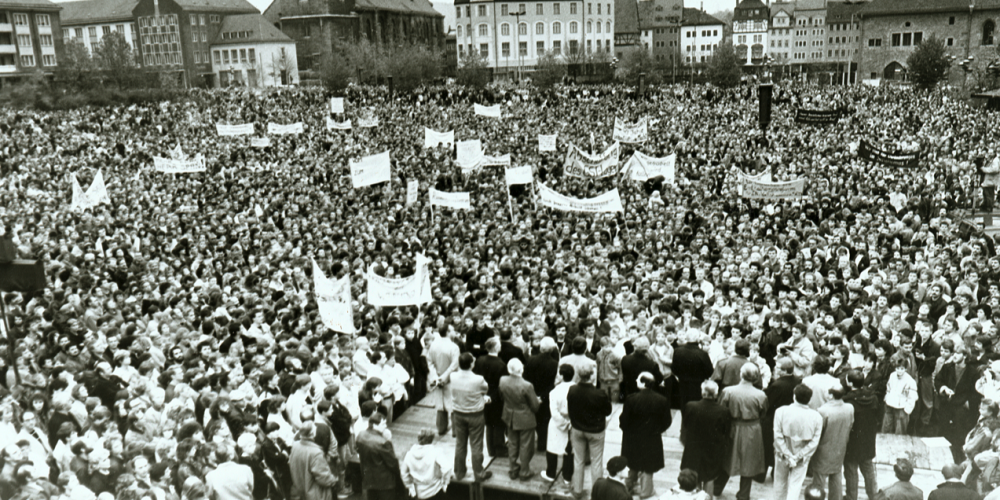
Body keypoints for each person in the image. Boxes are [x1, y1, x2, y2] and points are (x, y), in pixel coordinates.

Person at [715, 363, 768, 500]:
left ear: (741, 374)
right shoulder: (761, 395)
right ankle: (744, 494)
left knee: (727, 458)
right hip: (753, 429)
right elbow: (763, 412)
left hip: (732, 427)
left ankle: (717, 487)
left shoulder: (728, 391)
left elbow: (721, 410)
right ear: (756, 377)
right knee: (749, 462)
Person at [619, 372, 671, 499]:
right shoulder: (662, 400)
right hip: (652, 437)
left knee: (632, 462)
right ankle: (646, 491)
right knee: (648, 465)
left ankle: (629, 486)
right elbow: (667, 421)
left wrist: (627, 430)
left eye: (638, 379)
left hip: (632, 437)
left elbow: (624, 420)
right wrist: (657, 430)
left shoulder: (631, 399)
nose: (636, 381)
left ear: (643, 383)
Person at [567, 364, 612, 500]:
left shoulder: (572, 390)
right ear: (592, 375)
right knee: (596, 462)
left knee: (578, 460)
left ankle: (578, 490)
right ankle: (597, 494)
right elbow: (608, 411)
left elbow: (570, 408)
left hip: (578, 429)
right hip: (595, 431)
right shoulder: (599, 393)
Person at [680, 380, 731, 500]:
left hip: (693, 447)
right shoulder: (723, 411)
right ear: (715, 394)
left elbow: (686, 425)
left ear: (702, 392)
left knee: (693, 475)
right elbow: (726, 430)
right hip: (713, 449)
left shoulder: (691, 406)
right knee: (709, 477)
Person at [773, 384, 823, 500]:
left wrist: (788, 454)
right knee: (796, 485)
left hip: (782, 454)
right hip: (802, 456)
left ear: (794, 396)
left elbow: (778, 436)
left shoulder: (781, 411)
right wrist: (798, 456)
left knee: (779, 483)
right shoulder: (816, 417)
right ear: (809, 399)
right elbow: (814, 442)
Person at [449, 352, 492, 482]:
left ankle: (459, 472)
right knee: (476, 445)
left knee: (460, 444)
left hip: (458, 414)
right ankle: (479, 473)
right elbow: (485, 390)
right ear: (471, 364)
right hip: (475, 415)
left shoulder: (453, 376)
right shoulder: (478, 379)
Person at [810, 382, 855, 500]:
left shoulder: (823, 411)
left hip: (823, 450)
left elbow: (818, 433)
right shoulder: (849, 408)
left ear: (830, 395)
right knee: (836, 478)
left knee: (819, 481)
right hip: (840, 448)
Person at [499, 357, 540, 481]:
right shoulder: (527, 385)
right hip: (525, 418)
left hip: (509, 416)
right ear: (521, 369)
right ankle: (524, 471)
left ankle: (513, 469)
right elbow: (535, 406)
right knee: (526, 446)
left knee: (512, 444)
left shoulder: (503, 380)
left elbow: (502, 396)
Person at [843, 370, 879, 500]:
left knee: (851, 470)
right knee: (868, 469)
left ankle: (851, 497)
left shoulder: (848, 402)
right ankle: (873, 495)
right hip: (868, 439)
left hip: (852, 441)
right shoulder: (873, 398)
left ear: (850, 383)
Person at [763, 358, 800, 477]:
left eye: (778, 367)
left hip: (774, 418)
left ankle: (761, 474)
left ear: (783, 371)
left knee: (768, 446)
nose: (775, 368)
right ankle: (776, 473)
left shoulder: (777, 385)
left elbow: (768, 403)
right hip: (791, 418)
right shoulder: (798, 381)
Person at [474, 337, 509, 459]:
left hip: (482, 395)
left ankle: (491, 449)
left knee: (488, 423)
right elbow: (502, 384)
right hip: (496, 398)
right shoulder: (501, 364)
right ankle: (499, 448)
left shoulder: (480, 360)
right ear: (496, 347)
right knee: (498, 423)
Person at [524, 337, 560, 454]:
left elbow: (526, 378)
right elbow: (552, 384)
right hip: (545, 397)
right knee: (544, 421)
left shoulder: (530, 360)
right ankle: (542, 444)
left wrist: (533, 395)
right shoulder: (554, 364)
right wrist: (542, 397)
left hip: (531, 394)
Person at [543, 364, 575, 486]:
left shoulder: (554, 391)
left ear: (561, 375)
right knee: (569, 450)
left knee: (552, 448)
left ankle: (550, 473)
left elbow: (554, 412)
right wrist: (570, 423)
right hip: (572, 422)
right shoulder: (576, 388)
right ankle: (567, 476)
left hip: (557, 423)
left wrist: (563, 423)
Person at [288, 422, 339, 500]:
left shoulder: (295, 445)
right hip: (316, 494)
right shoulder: (316, 453)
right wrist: (333, 480)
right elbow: (323, 478)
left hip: (301, 489)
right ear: (313, 434)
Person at [355, 413, 399, 500]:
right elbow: (393, 464)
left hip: (368, 479)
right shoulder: (384, 443)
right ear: (375, 425)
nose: (385, 426)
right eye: (383, 424)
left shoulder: (361, 435)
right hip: (385, 483)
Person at [401, 429, 453, 500]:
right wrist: (445, 483)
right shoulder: (436, 452)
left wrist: (409, 485)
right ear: (432, 439)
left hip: (419, 492)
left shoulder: (409, 454)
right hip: (434, 491)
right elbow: (447, 468)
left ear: (418, 439)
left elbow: (403, 473)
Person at [427, 327, 461, 436]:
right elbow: (454, 365)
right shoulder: (454, 347)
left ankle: (441, 428)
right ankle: (456, 431)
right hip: (450, 379)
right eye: (452, 330)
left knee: (440, 404)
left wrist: (435, 377)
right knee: (453, 405)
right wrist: (444, 377)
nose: (454, 332)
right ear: (447, 332)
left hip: (438, 378)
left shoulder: (433, 345)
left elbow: (429, 362)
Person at [673, 331, 715, 409]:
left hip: (683, 384)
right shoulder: (702, 354)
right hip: (697, 385)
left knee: (684, 406)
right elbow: (710, 371)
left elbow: (674, 369)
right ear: (697, 339)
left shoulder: (677, 351)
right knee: (696, 408)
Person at [619, 337, 661, 401]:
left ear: (635, 347)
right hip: (646, 397)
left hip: (630, 395)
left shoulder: (625, 359)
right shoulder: (652, 364)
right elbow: (659, 379)